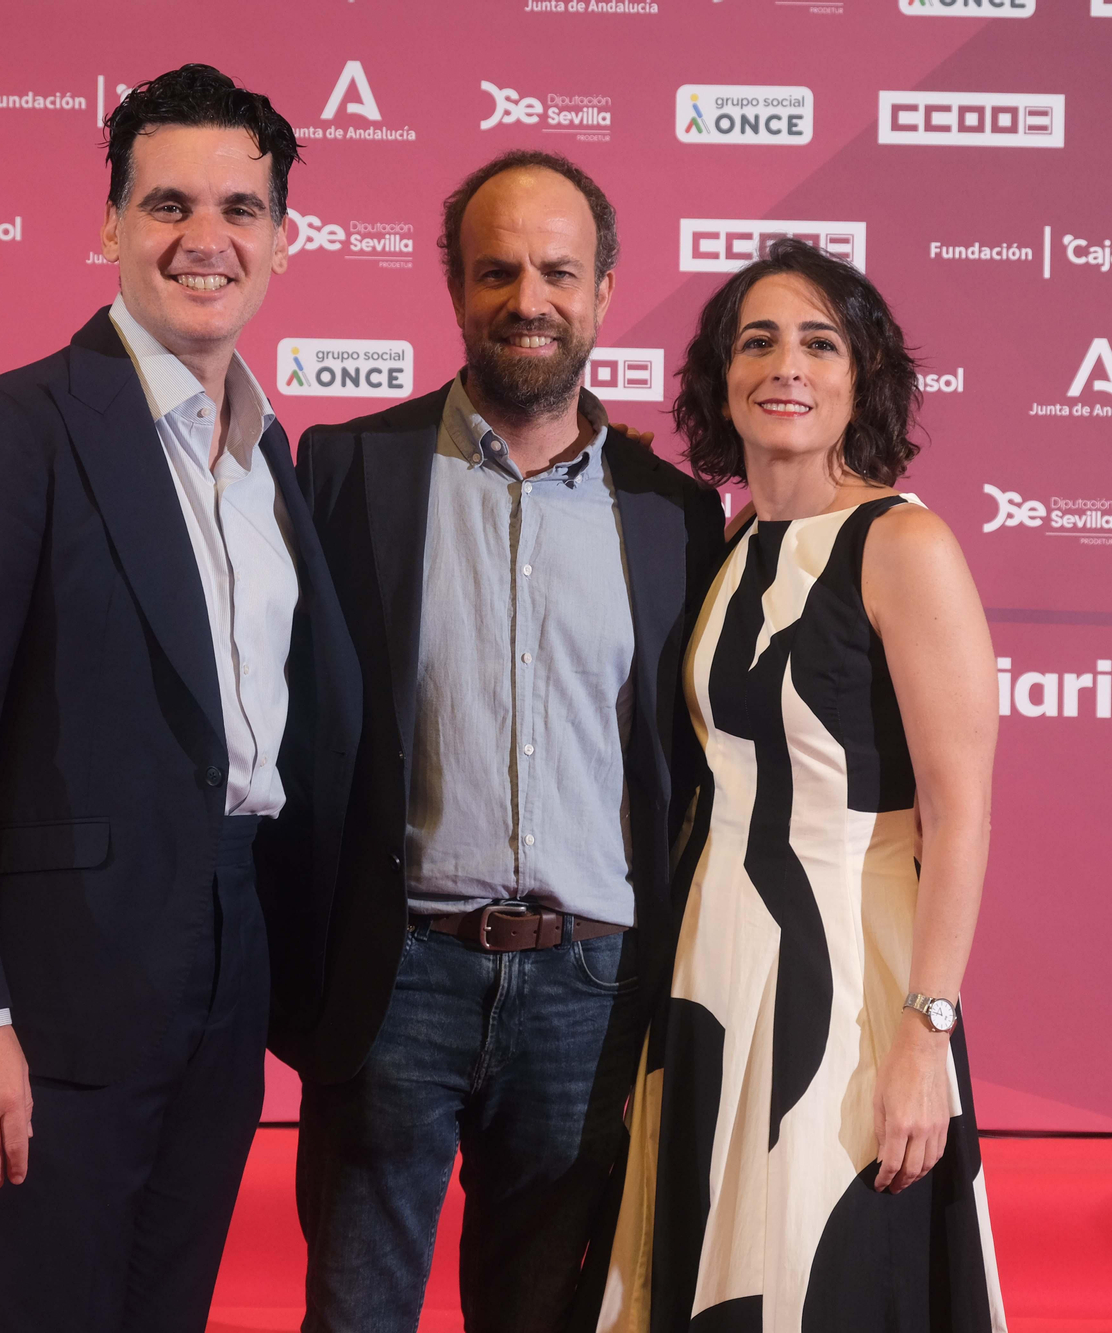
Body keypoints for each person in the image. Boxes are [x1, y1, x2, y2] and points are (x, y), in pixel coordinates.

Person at [0, 64, 357, 1332]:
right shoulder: (12, 430)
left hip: (228, 968)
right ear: (109, 226)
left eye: (241, 210)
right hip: (56, 999)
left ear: (282, 241)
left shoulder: (271, 460)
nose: (207, 240)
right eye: (168, 205)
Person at [284, 150, 726, 1333]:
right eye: (496, 270)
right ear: (452, 285)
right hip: (396, 976)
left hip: (589, 989)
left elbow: (684, 769)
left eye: (555, 270)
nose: (526, 298)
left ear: (602, 287)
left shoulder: (673, 513)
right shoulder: (343, 470)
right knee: (355, 1314)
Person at [594, 239, 1007, 1332]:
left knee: (807, 1276)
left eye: (818, 342)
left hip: (843, 984)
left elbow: (959, 820)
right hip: (710, 972)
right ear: (720, 378)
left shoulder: (901, 543)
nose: (786, 365)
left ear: (860, 374)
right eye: (758, 340)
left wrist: (925, 1034)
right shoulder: (733, 540)